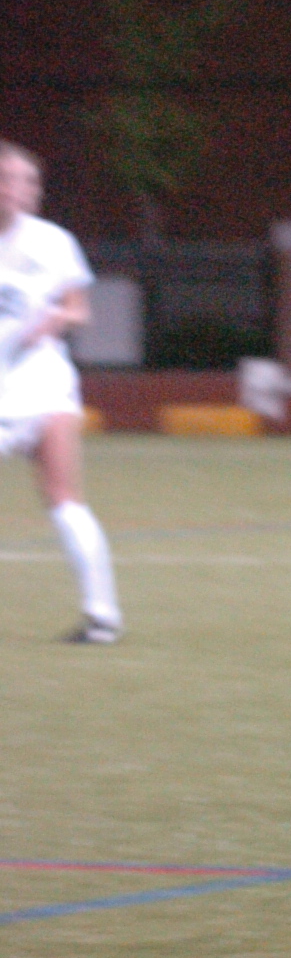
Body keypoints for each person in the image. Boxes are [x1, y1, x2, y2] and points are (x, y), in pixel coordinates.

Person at [0, 142, 119, 645]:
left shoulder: (52, 242)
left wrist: (55, 320)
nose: (15, 189)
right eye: (6, 178)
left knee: (64, 498)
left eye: (25, 180)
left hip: (44, 386)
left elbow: (79, 308)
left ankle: (102, 617)